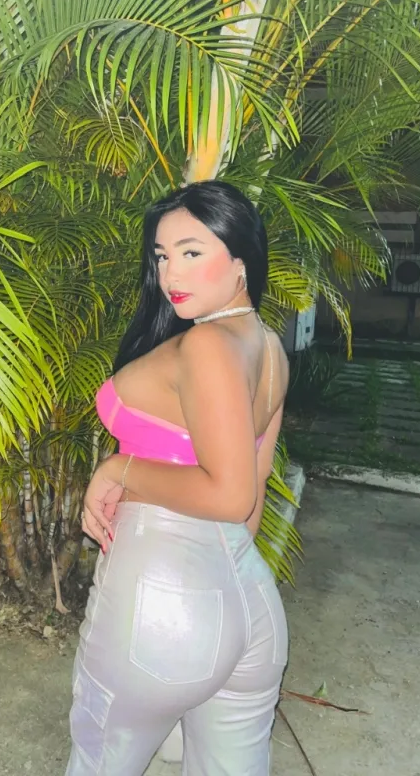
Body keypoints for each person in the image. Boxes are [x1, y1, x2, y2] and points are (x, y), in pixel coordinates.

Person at [66, 180, 290, 775]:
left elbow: (231, 493)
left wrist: (120, 467)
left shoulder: (208, 345)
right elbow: (252, 498)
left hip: (163, 605)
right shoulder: (269, 347)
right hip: (248, 601)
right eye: (163, 256)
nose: (171, 274)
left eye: (192, 252)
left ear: (241, 260)